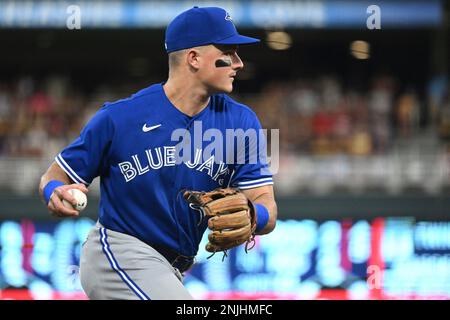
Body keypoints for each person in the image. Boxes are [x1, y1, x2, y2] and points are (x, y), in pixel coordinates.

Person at [38, 6, 277, 300]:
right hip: (117, 252)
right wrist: (54, 190)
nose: (239, 63)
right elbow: (55, 175)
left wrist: (255, 214)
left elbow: (267, 204)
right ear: (193, 58)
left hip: (172, 268)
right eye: (228, 51)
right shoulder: (121, 117)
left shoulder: (241, 121)